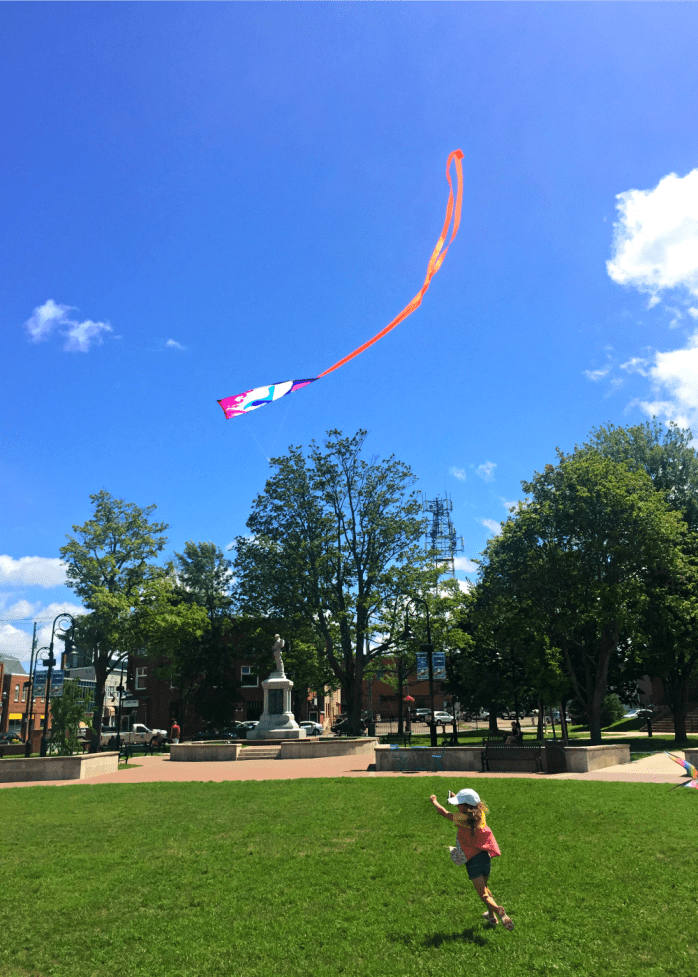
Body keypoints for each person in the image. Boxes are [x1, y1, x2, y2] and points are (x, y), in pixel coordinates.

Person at [429, 787, 514, 931]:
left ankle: (498, 909)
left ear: (465, 807)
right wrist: (456, 797)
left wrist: (434, 801)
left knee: (482, 894)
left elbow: (443, 812)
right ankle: (492, 916)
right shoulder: (480, 815)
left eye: (459, 804)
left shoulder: (461, 819)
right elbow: (467, 806)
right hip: (485, 857)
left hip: (473, 860)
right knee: (486, 889)